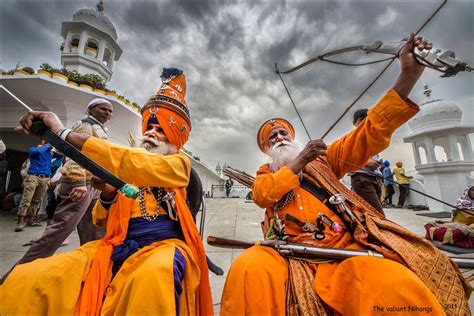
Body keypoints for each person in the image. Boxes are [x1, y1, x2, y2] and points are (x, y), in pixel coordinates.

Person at [219, 35, 470, 315]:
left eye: (283, 133)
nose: (279, 137)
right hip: (284, 252)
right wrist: (300, 161)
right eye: (271, 137)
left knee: (394, 285)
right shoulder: (266, 173)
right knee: (246, 268)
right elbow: (263, 195)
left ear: (293, 138)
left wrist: (407, 76)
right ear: (266, 149)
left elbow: (368, 133)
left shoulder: (324, 161)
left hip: (345, 251)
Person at [1, 68, 213, 315]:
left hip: (162, 247)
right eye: (149, 127)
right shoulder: (128, 167)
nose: (151, 133)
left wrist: (63, 133)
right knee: (33, 277)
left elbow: (133, 162)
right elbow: (100, 219)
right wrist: (109, 195)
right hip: (114, 246)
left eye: (161, 129)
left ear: (177, 139)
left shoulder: (178, 165)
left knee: (153, 278)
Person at [11, 98, 113, 268]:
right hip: (80, 184)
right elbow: (76, 154)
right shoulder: (85, 125)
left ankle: (95, 268)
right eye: (104, 109)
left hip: (93, 185)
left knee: (94, 230)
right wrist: (78, 181)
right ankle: (19, 273)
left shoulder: (98, 127)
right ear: (91, 109)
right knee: (59, 231)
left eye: (110, 111)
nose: (108, 113)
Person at [15, 141, 60, 231]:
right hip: (33, 176)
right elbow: (37, 152)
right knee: (27, 198)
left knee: (37, 200)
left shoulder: (50, 153)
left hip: (45, 178)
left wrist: (57, 148)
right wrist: (47, 145)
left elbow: (61, 156)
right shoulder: (34, 149)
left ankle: (31, 219)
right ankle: (20, 220)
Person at [348, 108, 384, 214]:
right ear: (355, 123)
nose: (365, 122)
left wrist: (377, 163)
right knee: (378, 214)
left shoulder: (372, 138)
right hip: (362, 179)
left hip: (375, 178)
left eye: (368, 119)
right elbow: (346, 157)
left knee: (369, 213)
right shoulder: (352, 137)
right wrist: (366, 163)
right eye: (361, 120)